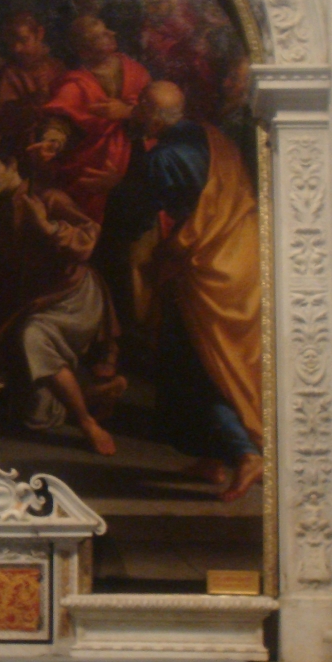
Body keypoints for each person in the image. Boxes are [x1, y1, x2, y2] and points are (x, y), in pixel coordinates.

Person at [130, 81, 263, 501]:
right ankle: (211, 458)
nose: (135, 111)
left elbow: (142, 217)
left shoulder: (164, 158)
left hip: (206, 272)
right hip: (243, 260)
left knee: (198, 365)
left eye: (140, 106)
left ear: (153, 115)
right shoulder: (212, 135)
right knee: (215, 362)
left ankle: (244, 453)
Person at [0, 151, 124, 456]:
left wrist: (49, 228)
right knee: (36, 418)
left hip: (72, 297)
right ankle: (97, 394)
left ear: (12, 165)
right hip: (36, 304)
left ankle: (87, 423)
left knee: (32, 336)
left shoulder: (49, 198)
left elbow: (89, 237)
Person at [31, 16, 150, 223]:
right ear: (84, 52)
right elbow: (60, 121)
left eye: (107, 30)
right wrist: (52, 141)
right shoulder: (75, 83)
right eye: (99, 36)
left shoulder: (136, 71)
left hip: (136, 159)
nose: (111, 34)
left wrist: (129, 112)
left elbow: (157, 114)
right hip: (92, 165)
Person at [0, 13, 66, 159]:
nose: (17, 48)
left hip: (59, 147)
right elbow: (3, 122)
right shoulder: (8, 73)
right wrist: (35, 99)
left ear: (39, 34)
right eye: (11, 43)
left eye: (23, 40)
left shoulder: (57, 67)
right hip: (24, 151)